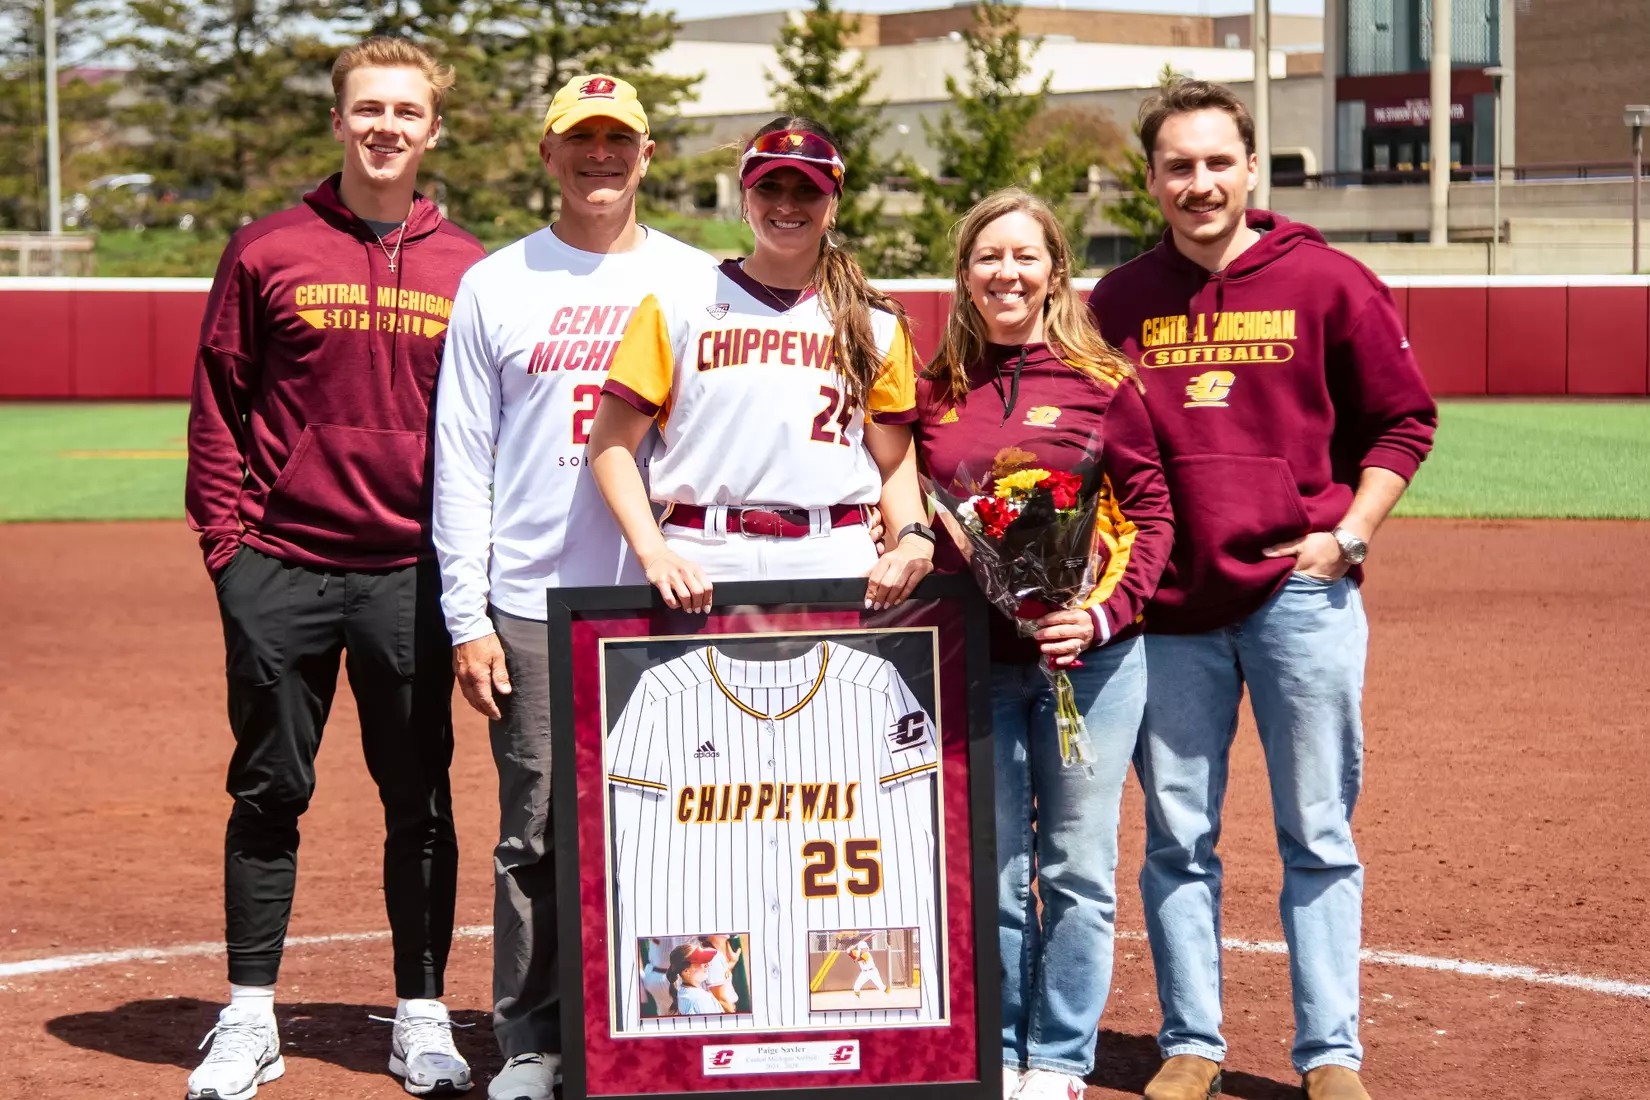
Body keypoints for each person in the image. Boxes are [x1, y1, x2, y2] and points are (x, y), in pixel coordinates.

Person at [1087, 80, 1436, 1100]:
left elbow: (1403, 422)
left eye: (1215, 162)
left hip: (1301, 594)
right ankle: (1191, 1038)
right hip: (1171, 608)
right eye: (1177, 166)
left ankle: (1331, 1052)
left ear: (1251, 167)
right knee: (1176, 832)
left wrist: (1351, 534)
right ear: (1152, 179)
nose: (1198, 183)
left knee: (1317, 830)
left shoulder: (1327, 280)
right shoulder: (1117, 303)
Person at [183, 37, 484, 1100]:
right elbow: (219, 400)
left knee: (423, 798)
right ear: (339, 119)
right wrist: (231, 553)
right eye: (368, 108)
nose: (386, 126)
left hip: (407, 573)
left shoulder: (472, 269)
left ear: (432, 128)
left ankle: (421, 1014)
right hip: (283, 568)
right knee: (269, 788)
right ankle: (250, 1011)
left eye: (406, 111)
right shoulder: (268, 247)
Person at [432, 74, 717, 1100]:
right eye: (580, 139)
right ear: (547, 154)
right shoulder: (496, 283)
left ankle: (672, 1023)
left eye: (619, 140)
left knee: (682, 816)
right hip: (538, 595)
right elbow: (462, 460)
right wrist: (469, 617)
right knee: (538, 827)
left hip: (669, 595)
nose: (601, 156)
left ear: (648, 155)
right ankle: (531, 1040)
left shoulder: (700, 281)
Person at [913, 188, 1174, 1100]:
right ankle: (1002, 1047)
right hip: (978, 664)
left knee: (1075, 866)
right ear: (966, 274)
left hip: (1090, 665)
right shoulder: (934, 388)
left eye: (1025, 256)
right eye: (989, 258)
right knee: (995, 867)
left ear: (1055, 271)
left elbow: (1152, 514)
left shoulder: (1105, 383)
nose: (1007, 274)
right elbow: (911, 508)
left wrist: (1095, 615)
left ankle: (1059, 1055)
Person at [587, 116, 933, 606]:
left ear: (833, 205)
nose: (786, 204)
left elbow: (893, 459)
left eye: (807, 190)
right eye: (768, 186)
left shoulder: (872, 321)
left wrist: (913, 537)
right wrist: (653, 553)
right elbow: (609, 442)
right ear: (744, 199)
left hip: (835, 551)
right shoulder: (677, 304)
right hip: (702, 554)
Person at [667, 944, 724, 1015]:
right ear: (686, 971)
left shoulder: (682, 991)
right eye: (701, 961)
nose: (707, 965)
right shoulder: (701, 999)